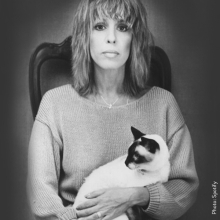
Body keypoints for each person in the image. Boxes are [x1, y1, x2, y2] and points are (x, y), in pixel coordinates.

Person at [27, 0, 199, 220]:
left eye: (123, 27)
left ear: (134, 39)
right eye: (99, 26)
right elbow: (42, 196)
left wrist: (136, 195)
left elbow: (186, 187)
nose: (111, 38)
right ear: (84, 37)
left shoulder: (163, 103)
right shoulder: (54, 104)